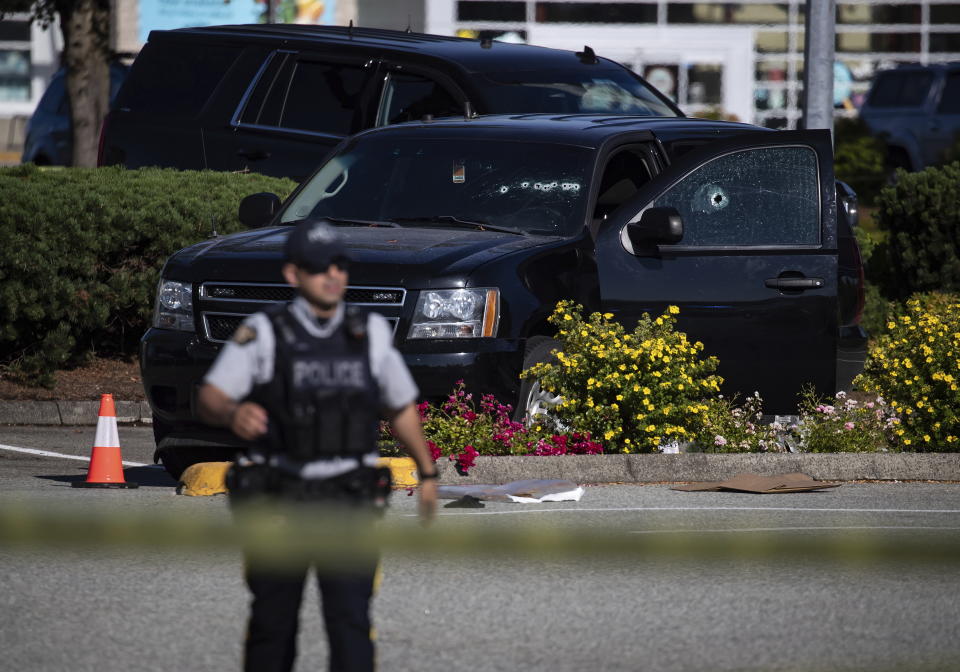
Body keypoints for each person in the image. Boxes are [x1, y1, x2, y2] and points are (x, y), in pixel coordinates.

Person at [197, 218, 438, 672]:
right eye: (318, 267)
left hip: (347, 499)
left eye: (340, 265)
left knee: (350, 622)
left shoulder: (368, 333)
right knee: (273, 622)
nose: (332, 276)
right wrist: (232, 412)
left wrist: (426, 471)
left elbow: (401, 407)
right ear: (293, 275)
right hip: (278, 498)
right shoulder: (265, 332)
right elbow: (210, 395)